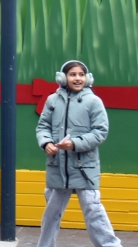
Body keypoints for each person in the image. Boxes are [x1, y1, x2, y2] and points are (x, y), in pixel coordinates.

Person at [36, 61, 120, 247]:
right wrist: (46, 142)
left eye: (81, 74)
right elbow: (43, 127)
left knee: (93, 211)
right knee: (51, 214)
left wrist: (74, 144)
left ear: (87, 78)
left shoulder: (94, 102)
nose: (77, 78)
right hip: (57, 167)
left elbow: (100, 132)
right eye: (72, 74)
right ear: (62, 77)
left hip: (85, 169)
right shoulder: (52, 101)